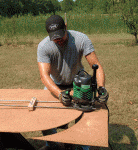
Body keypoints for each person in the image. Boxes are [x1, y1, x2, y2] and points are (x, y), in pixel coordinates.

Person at [37, 15, 108, 150]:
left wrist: (101, 88)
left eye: (60, 36)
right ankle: (52, 144)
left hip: (78, 82)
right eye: (54, 38)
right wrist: (59, 94)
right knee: (45, 113)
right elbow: (44, 75)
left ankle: (82, 146)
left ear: (66, 26)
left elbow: (96, 65)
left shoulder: (81, 39)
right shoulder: (43, 46)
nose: (58, 40)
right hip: (55, 84)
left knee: (85, 112)